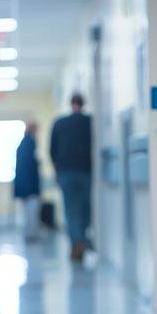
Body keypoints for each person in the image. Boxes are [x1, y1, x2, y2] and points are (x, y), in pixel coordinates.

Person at [51, 92, 93, 262]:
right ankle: (80, 239)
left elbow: (52, 150)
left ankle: (76, 241)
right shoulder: (89, 122)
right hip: (84, 172)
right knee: (84, 209)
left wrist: (57, 172)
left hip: (66, 173)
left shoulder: (60, 123)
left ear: (71, 104)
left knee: (71, 209)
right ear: (83, 104)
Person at [14, 121, 41, 242]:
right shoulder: (29, 143)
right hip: (29, 184)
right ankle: (31, 234)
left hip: (23, 184)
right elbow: (30, 165)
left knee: (27, 211)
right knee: (31, 211)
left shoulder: (23, 143)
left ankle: (29, 233)